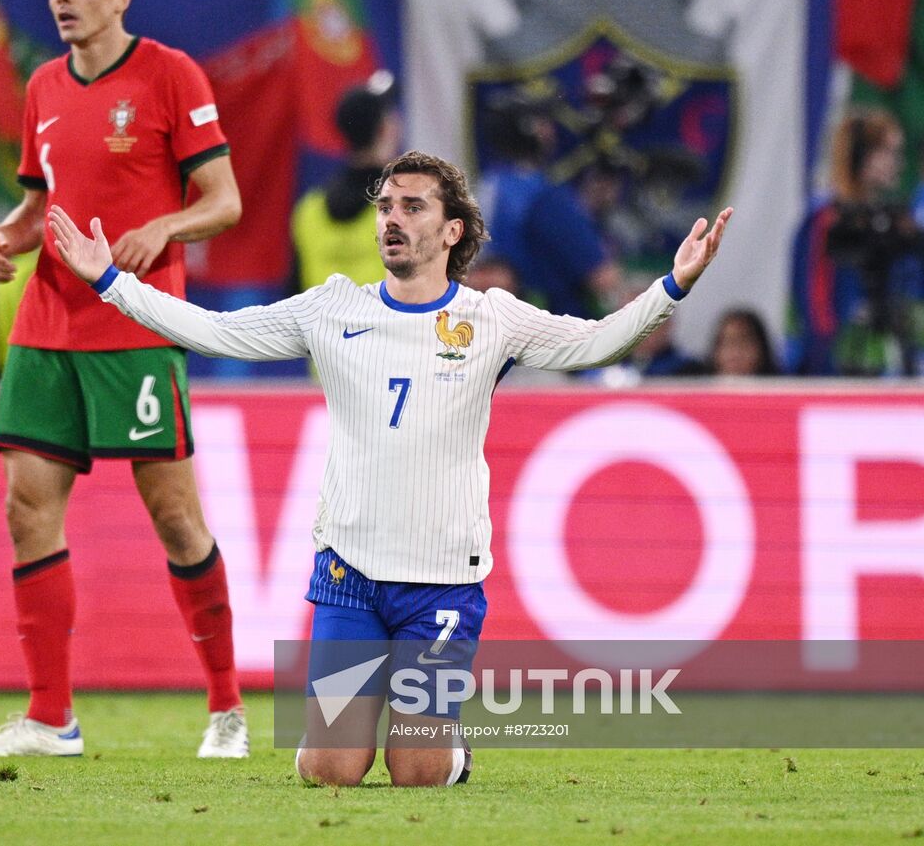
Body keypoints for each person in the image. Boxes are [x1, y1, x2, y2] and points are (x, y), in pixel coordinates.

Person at [49, 149, 732, 787]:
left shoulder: (491, 318)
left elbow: (593, 342)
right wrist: (112, 281)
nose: (392, 221)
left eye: (412, 207)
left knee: (419, 771)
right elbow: (216, 331)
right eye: (385, 207)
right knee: (329, 770)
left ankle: (450, 748)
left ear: (452, 228)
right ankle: (351, 728)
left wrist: (673, 285)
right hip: (351, 572)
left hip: (439, 584)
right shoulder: (332, 307)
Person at [0, 0, 248, 760]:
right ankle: (51, 716)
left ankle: (226, 708)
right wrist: (3, 236)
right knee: (25, 508)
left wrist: (165, 224)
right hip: (47, 321)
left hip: (136, 322)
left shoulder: (169, 73)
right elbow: (39, 202)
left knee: (175, 517)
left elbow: (223, 199)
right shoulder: (42, 84)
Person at [788, 107, 922, 376]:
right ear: (862, 155)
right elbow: (814, 305)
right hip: (836, 364)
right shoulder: (824, 218)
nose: (899, 163)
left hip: (893, 360)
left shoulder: (896, 220)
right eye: (890, 152)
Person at [481, 92, 620, 319]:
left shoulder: (488, 184)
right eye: (543, 122)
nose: (551, 130)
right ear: (528, 129)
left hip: (497, 322)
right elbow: (604, 278)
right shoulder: (545, 197)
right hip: (550, 329)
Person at [291, 73, 397, 292]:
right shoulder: (403, 209)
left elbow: (293, 294)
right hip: (387, 325)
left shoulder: (309, 209)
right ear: (385, 130)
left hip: (322, 325)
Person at [709, 307, 779, 377]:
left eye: (744, 343)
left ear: (762, 349)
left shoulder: (780, 385)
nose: (735, 352)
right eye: (728, 342)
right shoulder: (700, 383)